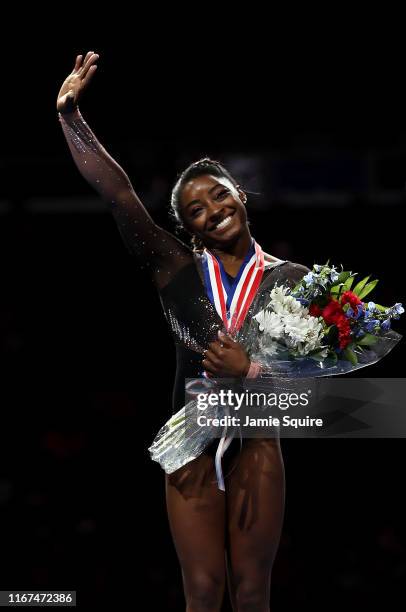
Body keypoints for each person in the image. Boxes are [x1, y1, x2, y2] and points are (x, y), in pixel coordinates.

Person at [57, 51, 310, 612]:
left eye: (219, 194)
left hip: (259, 441)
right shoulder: (175, 271)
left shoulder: (292, 280)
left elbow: (322, 387)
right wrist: (72, 119)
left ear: (240, 195)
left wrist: (252, 371)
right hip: (191, 439)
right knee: (202, 591)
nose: (213, 209)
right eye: (195, 209)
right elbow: (118, 193)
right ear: (186, 228)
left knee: (251, 592)